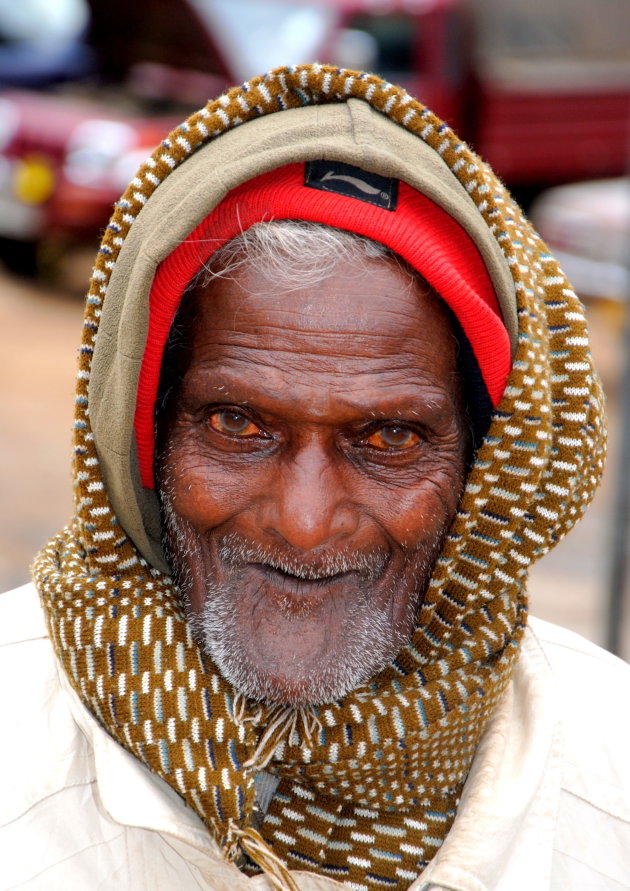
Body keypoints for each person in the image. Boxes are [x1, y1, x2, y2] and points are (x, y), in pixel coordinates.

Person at [1, 63, 629, 890]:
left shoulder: (609, 779)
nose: (303, 522)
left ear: (484, 464)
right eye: (237, 425)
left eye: (391, 438)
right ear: (143, 438)